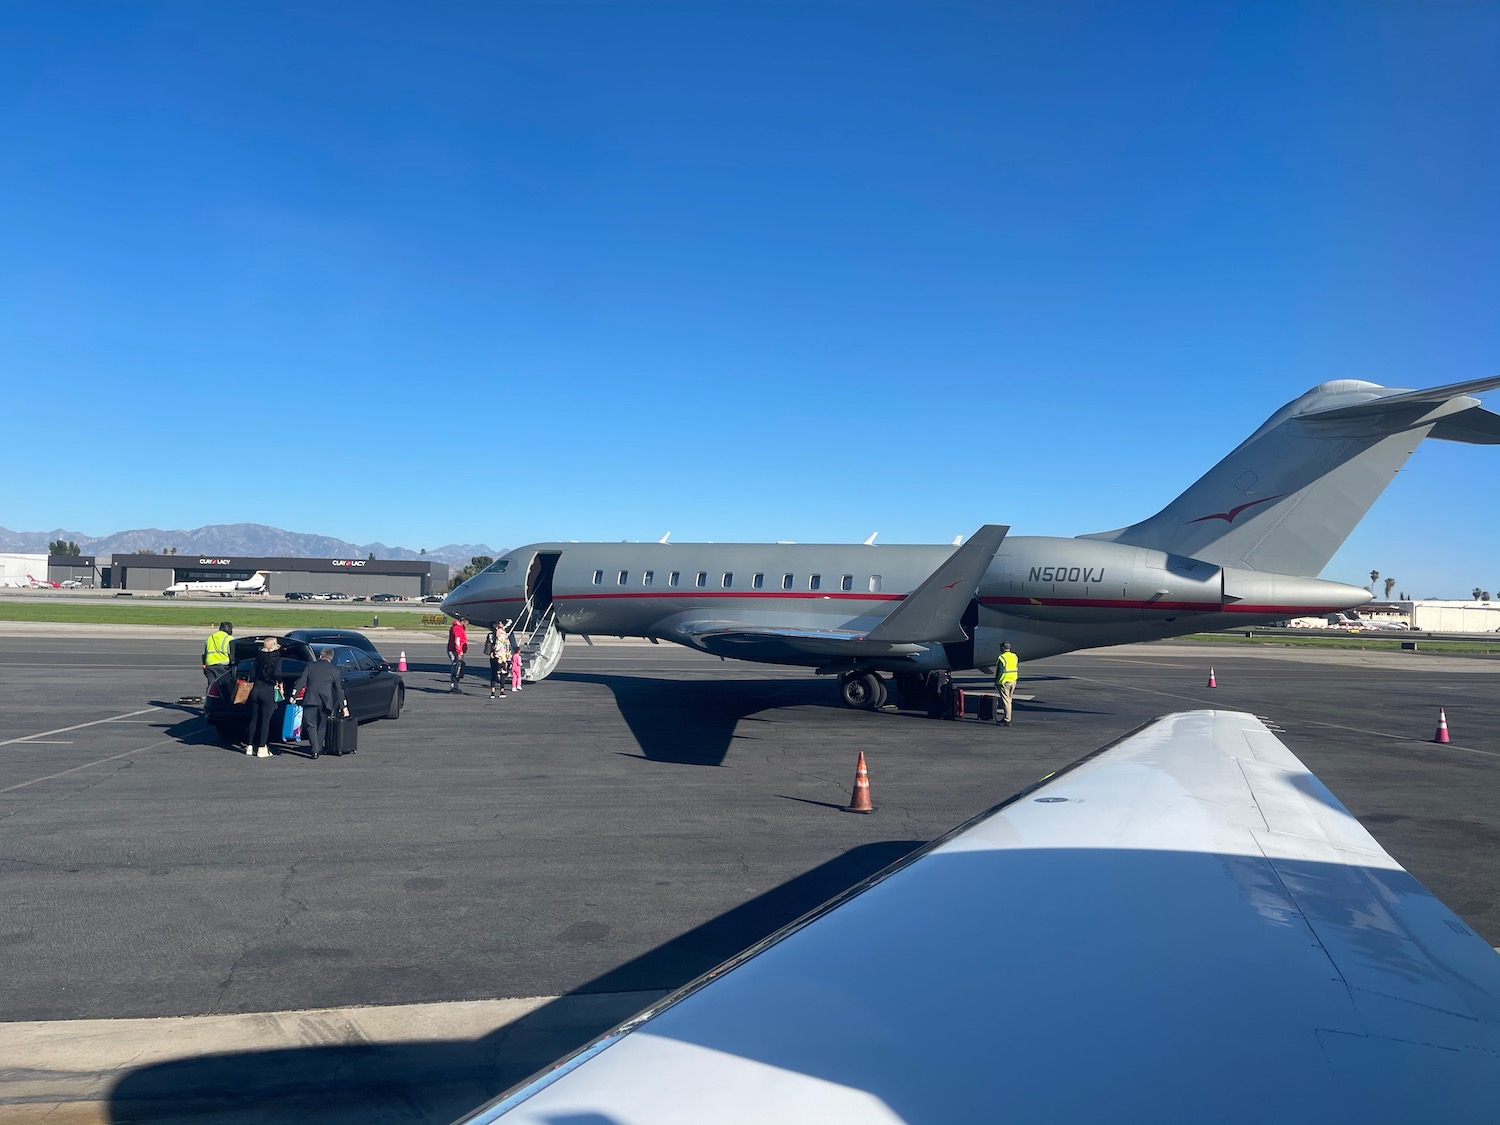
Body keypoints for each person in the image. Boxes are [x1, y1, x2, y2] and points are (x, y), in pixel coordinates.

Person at [295, 647, 349, 759]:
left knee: (311, 725)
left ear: (320, 656)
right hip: (326, 702)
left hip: (310, 699)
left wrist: (293, 695)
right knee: (322, 725)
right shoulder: (335, 671)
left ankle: (315, 749)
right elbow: (339, 690)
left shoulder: (310, 666)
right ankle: (318, 748)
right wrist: (344, 707)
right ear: (331, 658)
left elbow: (301, 681)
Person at [245, 637, 283, 757]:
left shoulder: (257, 659)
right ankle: (262, 747)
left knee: (254, 719)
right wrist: (280, 684)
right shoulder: (276, 659)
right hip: (268, 691)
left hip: (256, 690)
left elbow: (251, 675)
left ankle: (249, 746)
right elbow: (277, 674)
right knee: (265, 721)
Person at [994, 642, 1019, 726]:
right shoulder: (1014, 656)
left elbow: (999, 671)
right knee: (1009, 700)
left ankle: (1007, 719)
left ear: (1002, 648)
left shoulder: (1002, 657)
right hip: (1013, 680)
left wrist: (996, 682)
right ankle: (1008, 717)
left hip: (1005, 681)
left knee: (1006, 701)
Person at [202, 621, 233, 690]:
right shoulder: (229, 638)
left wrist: (204, 664)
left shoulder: (210, 637)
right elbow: (232, 653)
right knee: (224, 687)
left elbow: (204, 653)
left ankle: (210, 699)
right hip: (224, 666)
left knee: (211, 687)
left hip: (209, 666)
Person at [483, 622, 509, 700]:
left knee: (493, 674)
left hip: (493, 656)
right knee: (502, 674)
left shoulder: (490, 635)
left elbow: (488, 646)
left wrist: (491, 652)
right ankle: (502, 691)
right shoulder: (503, 634)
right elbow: (507, 645)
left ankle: (492, 693)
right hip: (502, 656)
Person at [447, 615, 468, 693]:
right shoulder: (458, 629)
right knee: (456, 669)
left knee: (456, 668)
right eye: (466, 624)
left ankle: (455, 686)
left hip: (454, 650)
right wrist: (459, 652)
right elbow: (457, 641)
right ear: (462, 622)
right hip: (455, 651)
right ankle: (454, 687)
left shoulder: (456, 628)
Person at [509, 628, 523, 694]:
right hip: (517, 667)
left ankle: (513, 687)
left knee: (514, 677)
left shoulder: (513, 655)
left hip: (513, 667)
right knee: (519, 677)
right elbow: (519, 663)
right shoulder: (518, 656)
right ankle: (518, 685)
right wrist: (521, 664)